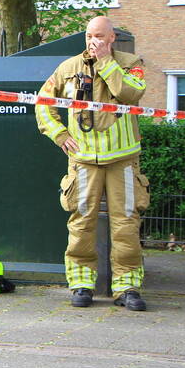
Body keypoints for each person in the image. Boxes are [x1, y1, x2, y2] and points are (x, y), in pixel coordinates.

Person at [35, 16, 151, 311]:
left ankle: (127, 288)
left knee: (126, 224)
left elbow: (130, 94)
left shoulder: (130, 62)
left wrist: (105, 62)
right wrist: (59, 134)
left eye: (99, 36)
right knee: (81, 222)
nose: (93, 41)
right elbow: (43, 101)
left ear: (112, 38)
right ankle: (81, 285)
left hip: (122, 159)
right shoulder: (69, 68)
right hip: (83, 160)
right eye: (89, 36)